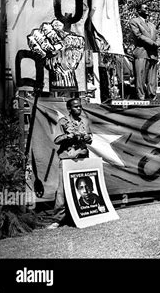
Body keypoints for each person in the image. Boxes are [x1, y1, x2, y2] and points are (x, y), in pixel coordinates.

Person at [47, 98, 93, 229]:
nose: (79, 109)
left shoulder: (84, 121)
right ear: (69, 109)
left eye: (80, 106)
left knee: (84, 186)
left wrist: (87, 137)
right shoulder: (63, 122)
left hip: (83, 157)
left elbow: (90, 140)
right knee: (62, 189)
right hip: (68, 158)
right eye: (76, 107)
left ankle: (84, 213)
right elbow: (56, 139)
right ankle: (58, 219)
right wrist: (69, 136)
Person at [129, 3, 160, 100]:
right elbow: (138, 35)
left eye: (148, 8)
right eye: (145, 8)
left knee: (152, 77)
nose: (148, 9)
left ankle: (152, 95)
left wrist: (158, 43)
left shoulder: (152, 25)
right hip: (142, 52)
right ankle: (141, 96)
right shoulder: (134, 21)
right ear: (139, 10)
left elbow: (158, 36)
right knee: (140, 76)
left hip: (153, 53)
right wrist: (152, 43)